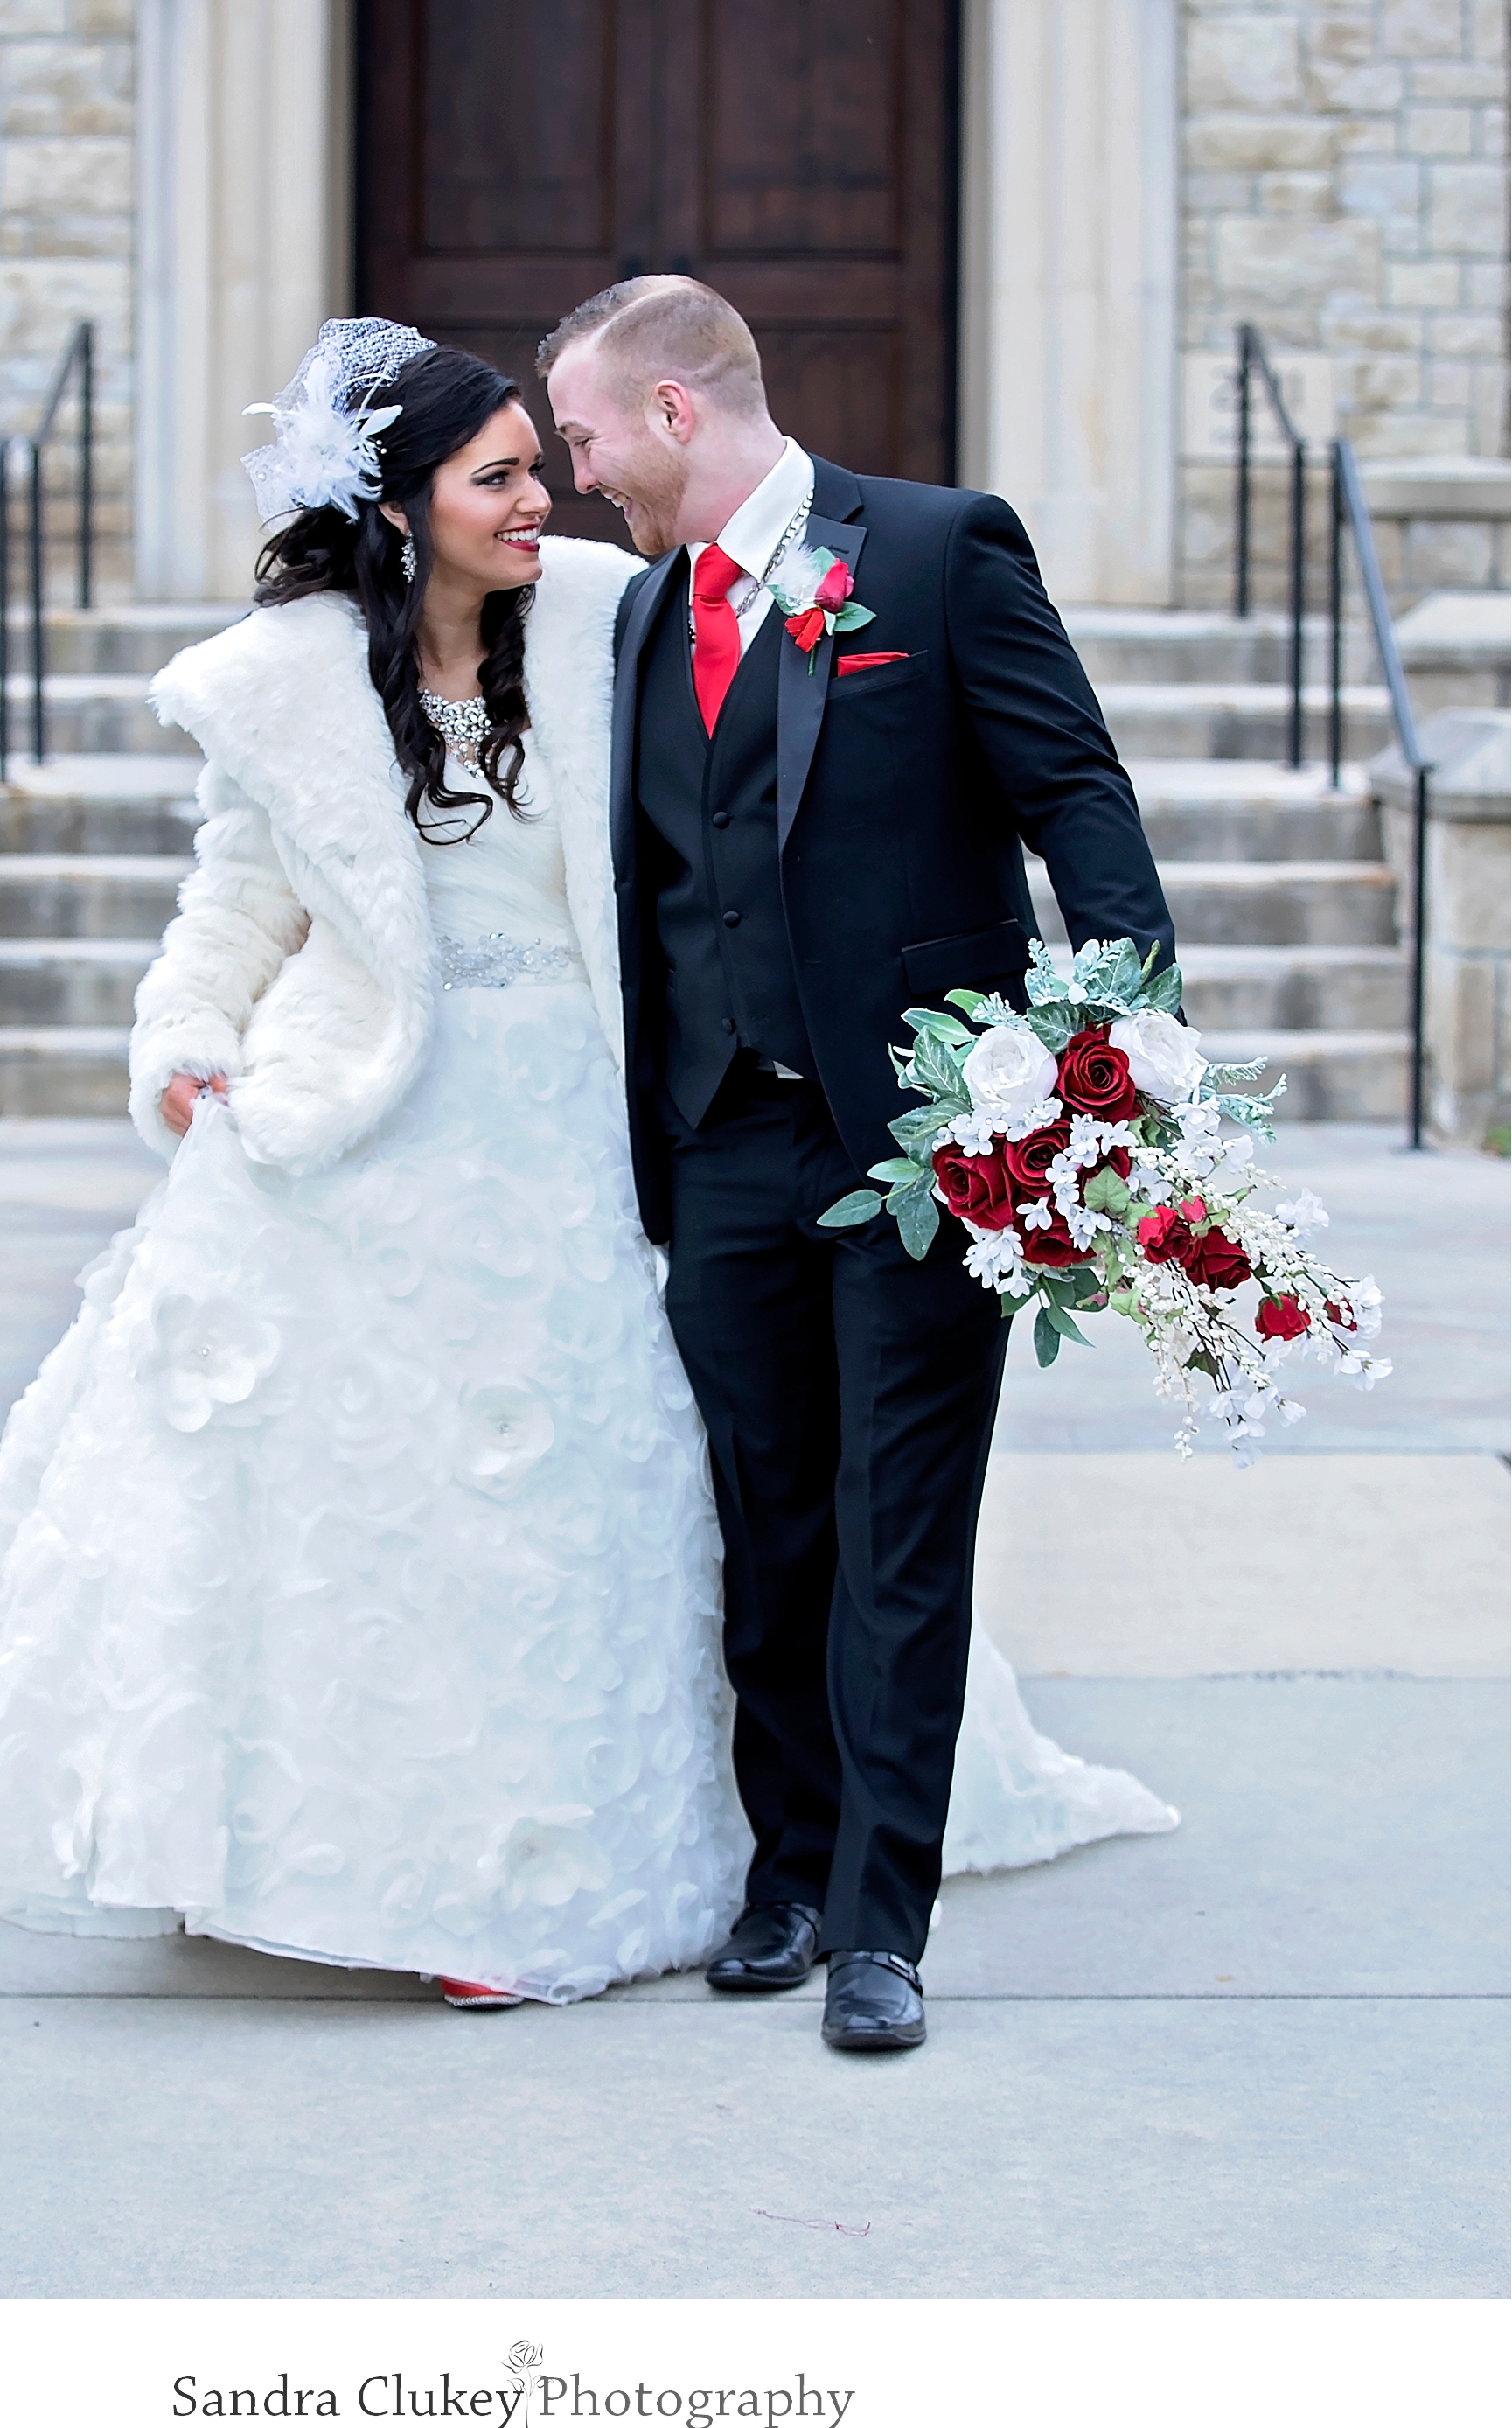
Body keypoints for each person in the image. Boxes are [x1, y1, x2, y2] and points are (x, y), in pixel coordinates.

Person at [0, 316, 1175, 2013]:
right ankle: (345, 1850)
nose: (552, 499)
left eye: (556, 458)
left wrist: (1111, 1044)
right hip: (374, 1134)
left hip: (578, 1134)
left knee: (626, 1509)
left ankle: (786, 1888)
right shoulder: (291, 682)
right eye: (505, 474)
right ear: (403, 507)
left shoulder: (617, 615)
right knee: (394, 1517)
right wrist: (184, 1036)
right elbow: (238, 897)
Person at [541, 274, 1179, 2053]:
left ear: (675, 411)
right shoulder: (640, 615)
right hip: (723, 1142)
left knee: (906, 1531)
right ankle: (793, 1868)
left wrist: (1113, 1063)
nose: (583, 476)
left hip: (923, 1143)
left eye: (589, 435)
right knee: (769, 1520)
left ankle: (884, 1921)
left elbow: (1081, 804)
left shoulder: (941, 549)